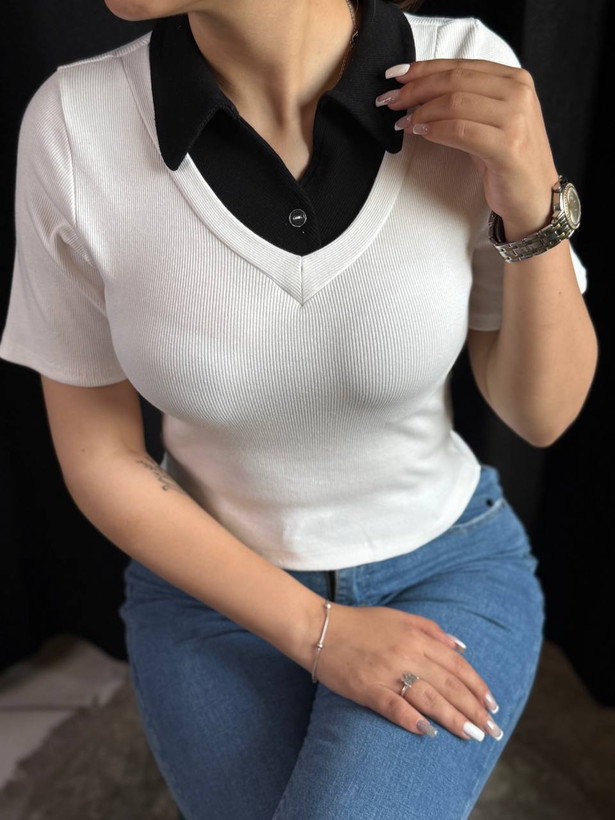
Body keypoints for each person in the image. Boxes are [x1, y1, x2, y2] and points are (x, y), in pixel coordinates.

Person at [0, 0, 597, 817]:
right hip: (211, 590)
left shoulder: (463, 69)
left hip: (444, 564)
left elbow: (541, 413)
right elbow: (101, 457)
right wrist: (321, 633)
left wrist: (531, 198)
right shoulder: (74, 125)